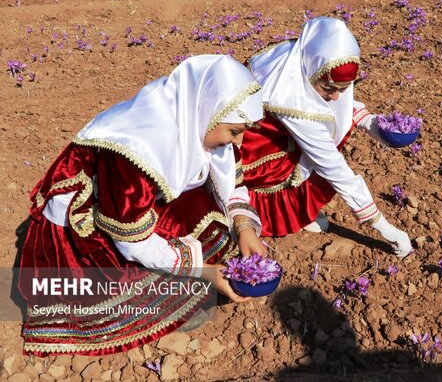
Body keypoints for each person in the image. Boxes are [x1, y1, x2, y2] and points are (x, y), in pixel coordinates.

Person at [18, 55, 267, 356]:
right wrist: (203, 271)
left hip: (135, 204)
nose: (238, 142)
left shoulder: (198, 118)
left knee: (213, 219)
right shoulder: (135, 150)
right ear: (208, 113)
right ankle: (171, 301)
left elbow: (231, 184)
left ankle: (183, 283)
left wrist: (244, 228)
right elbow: (131, 240)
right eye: (234, 131)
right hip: (94, 219)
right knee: (122, 289)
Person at [240, 17, 412, 258]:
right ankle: (286, 215)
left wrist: (372, 123)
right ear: (314, 69)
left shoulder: (303, 56)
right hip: (251, 153)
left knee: (325, 136)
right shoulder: (292, 101)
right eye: (329, 89)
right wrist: (384, 227)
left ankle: (301, 213)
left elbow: (331, 102)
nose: (336, 97)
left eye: (343, 88)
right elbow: (332, 165)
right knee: (318, 156)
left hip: (277, 134)